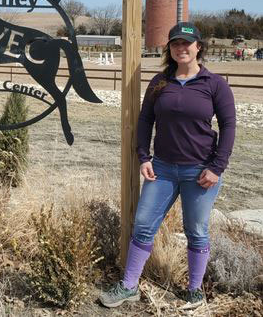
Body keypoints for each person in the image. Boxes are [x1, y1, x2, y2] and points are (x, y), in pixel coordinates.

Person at [99, 22, 236, 309]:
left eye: (187, 43)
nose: (181, 48)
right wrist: (144, 157)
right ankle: (129, 286)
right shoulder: (160, 82)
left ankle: (194, 291)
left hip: (200, 171)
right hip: (161, 169)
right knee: (143, 225)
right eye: (175, 43)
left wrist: (217, 167)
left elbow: (228, 126)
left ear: (199, 47)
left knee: (196, 230)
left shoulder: (214, 84)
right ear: (169, 49)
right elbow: (145, 120)